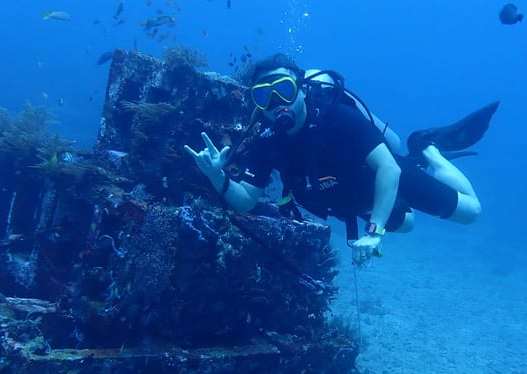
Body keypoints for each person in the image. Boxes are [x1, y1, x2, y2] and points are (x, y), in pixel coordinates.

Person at [185, 53, 496, 266]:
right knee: (408, 225)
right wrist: (216, 176)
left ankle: (427, 148)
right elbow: (246, 201)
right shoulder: (267, 140)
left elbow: (387, 167)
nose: (276, 103)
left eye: (284, 89)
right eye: (264, 96)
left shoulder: (337, 117)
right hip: (354, 201)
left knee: (471, 213)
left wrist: (374, 233)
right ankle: (399, 195)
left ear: (302, 90)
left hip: (382, 177)